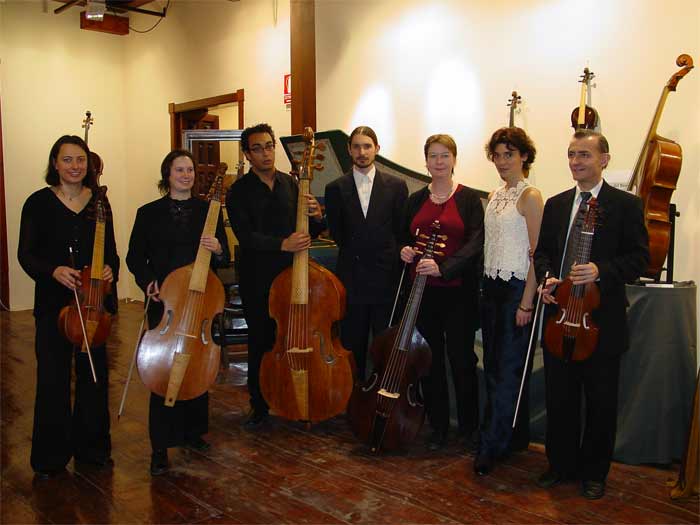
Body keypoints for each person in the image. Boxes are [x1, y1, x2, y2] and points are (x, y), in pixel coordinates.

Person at [534, 129, 649, 499]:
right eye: (571, 154)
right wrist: (548, 279)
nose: (576, 162)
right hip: (560, 317)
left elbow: (640, 259)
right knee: (560, 397)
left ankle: (595, 472)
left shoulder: (625, 206)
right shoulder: (556, 203)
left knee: (600, 401)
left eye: (584, 155)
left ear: (604, 160)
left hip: (600, 322)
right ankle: (560, 464)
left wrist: (600, 270)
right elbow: (544, 254)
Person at [18, 135, 119, 479]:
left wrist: (110, 270)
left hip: (91, 303)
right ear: (55, 164)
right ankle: (50, 458)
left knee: (95, 378)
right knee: (53, 378)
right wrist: (53, 271)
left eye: (81, 160)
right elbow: (26, 254)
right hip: (54, 303)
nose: (75, 166)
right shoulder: (38, 203)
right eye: (68, 160)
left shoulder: (101, 203)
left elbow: (113, 254)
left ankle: (92, 450)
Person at [126, 149, 228, 475]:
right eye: (179, 170)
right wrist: (147, 283)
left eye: (190, 170)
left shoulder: (208, 210)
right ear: (167, 174)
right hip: (166, 302)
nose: (186, 175)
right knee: (164, 370)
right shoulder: (148, 213)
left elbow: (223, 260)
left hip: (199, 303)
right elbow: (133, 257)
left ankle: (193, 433)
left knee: (198, 365)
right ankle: (160, 445)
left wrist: (219, 249)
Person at [226, 123, 324, 429]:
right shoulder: (238, 192)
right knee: (262, 341)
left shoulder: (292, 184)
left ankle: (294, 395)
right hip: (258, 278)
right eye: (258, 148)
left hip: (291, 274)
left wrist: (318, 216)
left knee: (293, 336)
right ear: (247, 153)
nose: (266, 153)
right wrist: (283, 244)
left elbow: (310, 232)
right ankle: (260, 403)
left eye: (269, 146)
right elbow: (246, 236)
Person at [399, 134, 484, 451]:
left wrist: (443, 267)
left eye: (444, 155)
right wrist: (404, 250)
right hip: (421, 294)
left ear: (454, 159)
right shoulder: (415, 199)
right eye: (433, 155)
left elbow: (476, 244)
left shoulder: (469, 199)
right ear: (425, 161)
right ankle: (438, 427)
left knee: (462, 359)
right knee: (429, 361)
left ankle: (469, 427)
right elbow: (401, 236)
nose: (438, 161)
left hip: (458, 293)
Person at [474, 127, 543, 476]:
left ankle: (491, 445)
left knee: (508, 372)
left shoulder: (530, 196)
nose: (502, 162)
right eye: (498, 155)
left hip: (518, 291)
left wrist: (527, 303)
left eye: (509, 155)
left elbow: (537, 255)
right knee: (494, 369)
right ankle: (513, 437)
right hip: (492, 288)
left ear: (524, 157)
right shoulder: (494, 193)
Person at [324, 126, 408, 380]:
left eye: (367, 146)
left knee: (384, 343)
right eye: (357, 146)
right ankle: (356, 397)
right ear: (349, 150)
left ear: (377, 149)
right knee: (353, 342)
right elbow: (338, 233)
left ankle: (382, 396)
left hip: (386, 279)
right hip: (352, 278)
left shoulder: (396, 186)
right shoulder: (335, 188)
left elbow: (401, 230)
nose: (362, 152)